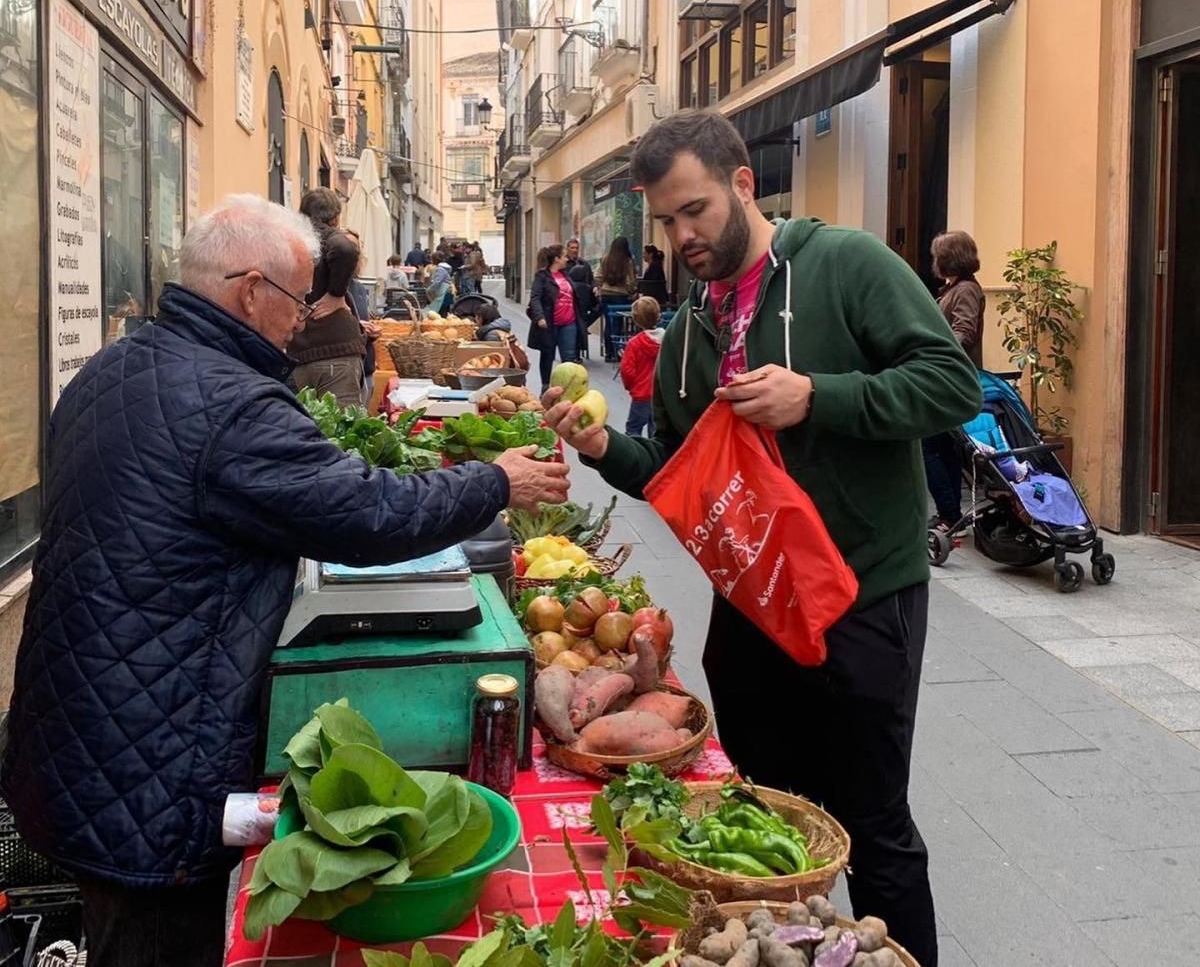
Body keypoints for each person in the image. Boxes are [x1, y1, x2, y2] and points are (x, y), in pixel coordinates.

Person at [0, 194, 570, 967]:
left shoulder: (112, 366)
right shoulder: (232, 405)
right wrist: (494, 482)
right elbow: (367, 513)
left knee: (121, 928)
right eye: (297, 301)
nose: (303, 319)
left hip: (81, 724)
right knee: (157, 940)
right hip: (152, 754)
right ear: (248, 291)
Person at [544, 110, 981, 967]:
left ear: (744, 184)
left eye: (695, 210)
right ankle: (798, 947)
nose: (682, 236)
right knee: (770, 807)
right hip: (749, 605)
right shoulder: (692, 327)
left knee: (875, 819)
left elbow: (951, 382)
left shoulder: (845, 265)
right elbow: (671, 468)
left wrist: (818, 394)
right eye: (665, 221)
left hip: (860, 594)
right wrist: (601, 450)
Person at [924, 230, 986, 535]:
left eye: (939, 256)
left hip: (950, 379)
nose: (935, 261)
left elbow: (964, 331)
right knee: (942, 448)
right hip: (946, 377)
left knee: (928, 447)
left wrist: (939, 356)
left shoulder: (966, 291)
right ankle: (952, 515)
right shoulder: (954, 289)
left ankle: (950, 515)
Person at [287, 187, 366, 408]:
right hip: (336, 350)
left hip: (297, 351)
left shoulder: (289, 241)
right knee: (343, 430)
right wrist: (336, 295)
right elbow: (346, 250)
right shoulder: (326, 236)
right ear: (335, 218)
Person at [529, 243, 583, 390]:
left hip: (569, 323)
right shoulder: (542, 276)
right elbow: (535, 298)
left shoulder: (566, 275)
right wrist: (540, 317)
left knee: (569, 359)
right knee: (548, 355)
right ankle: (545, 386)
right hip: (549, 323)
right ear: (557, 259)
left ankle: (568, 389)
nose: (567, 259)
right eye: (564, 256)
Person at [344, 230, 380, 407]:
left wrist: (371, 330)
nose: (354, 255)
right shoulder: (329, 288)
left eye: (357, 250)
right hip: (347, 372)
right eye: (348, 249)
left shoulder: (357, 287)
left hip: (366, 368)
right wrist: (357, 326)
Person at [620, 296, 664, 437]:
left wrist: (631, 387)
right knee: (656, 430)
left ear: (636, 320)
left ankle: (635, 457)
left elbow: (627, 371)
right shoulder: (668, 339)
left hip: (641, 393)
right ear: (658, 316)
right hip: (661, 393)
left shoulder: (634, 343)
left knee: (633, 429)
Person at [597, 236, 637, 360]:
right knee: (618, 324)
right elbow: (631, 281)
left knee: (608, 323)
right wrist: (630, 290)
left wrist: (601, 286)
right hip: (621, 295)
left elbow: (597, 275)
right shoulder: (627, 261)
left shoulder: (605, 259)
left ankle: (609, 353)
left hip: (606, 294)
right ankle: (616, 352)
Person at [425, 252, 454, 317]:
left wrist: (430, 289)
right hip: (447, 292)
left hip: (443, 293)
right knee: (445, 311)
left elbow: (437, 282)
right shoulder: (445, 268)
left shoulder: (440, 269)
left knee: (440, 312)